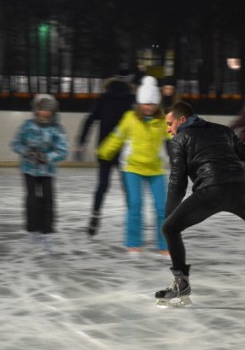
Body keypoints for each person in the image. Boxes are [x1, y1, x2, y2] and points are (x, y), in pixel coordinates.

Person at [155, 101, 245, 307]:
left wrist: (170, 214)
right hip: (240, 190)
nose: (168, 129)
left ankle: (181, 282)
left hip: (210, 193)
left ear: (182, 120)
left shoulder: (179, 139)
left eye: (170, 123)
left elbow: (177, 181)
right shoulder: (223, 131)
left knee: (169, 228)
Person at [97, 75, 170, 254]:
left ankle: (164, 244)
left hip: (156, 169)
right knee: (135, 204)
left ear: (157, 104)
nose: (148, 107)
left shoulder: (163, 120)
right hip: (132, 168)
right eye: (145, 103)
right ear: (139, 102)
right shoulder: (130, 118)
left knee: (162, 208)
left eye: (152, 104)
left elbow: (177, 137)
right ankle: (133, 242)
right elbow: (117, 136)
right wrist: (104, 152)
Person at [74, 66, 136, 235]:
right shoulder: (131, 100)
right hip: (124, 149)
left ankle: (95, 215)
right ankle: (133, 221)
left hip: (105, 148)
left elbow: (90, 119)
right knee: (128, 187)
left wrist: (81, 141)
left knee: (102, 185)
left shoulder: (104, 97)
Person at [10, 94, 68, 248]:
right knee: (32, 200)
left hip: (47, 170)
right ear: (36, 110)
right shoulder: (27, 126)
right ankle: (33, 229)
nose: (44, 113)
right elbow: (15, 143)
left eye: (47, 110)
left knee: (48, 199)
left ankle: (47, 230)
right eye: (41, 109)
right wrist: (27, 152)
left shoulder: (57, 129)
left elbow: (62, 151)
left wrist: (46, 157)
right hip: (29, 168)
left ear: (53, 112)